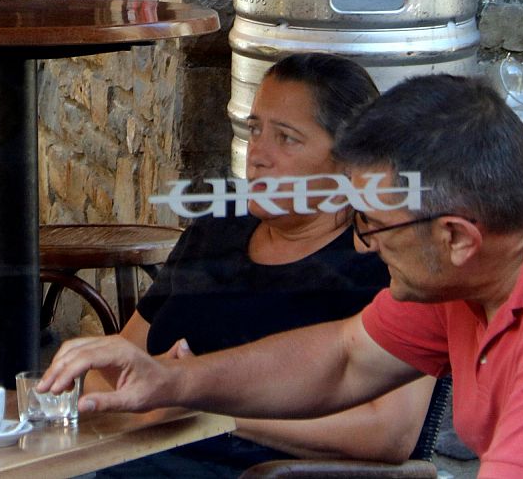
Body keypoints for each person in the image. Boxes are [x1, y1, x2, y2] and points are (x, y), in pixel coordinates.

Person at [41, 75, 523, 477]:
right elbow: (345, 358)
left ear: (455, 236)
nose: (361, 246)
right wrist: (175, 381)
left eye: (373, 227)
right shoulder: (482, 269)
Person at [88, 54, 434, 476]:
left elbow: (389, 432)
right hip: (139, 454)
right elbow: (117, 368)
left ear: (348, 160)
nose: (258, 154)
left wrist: (205, 405)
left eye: (286, 138)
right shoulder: (217, 228)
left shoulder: (385, 260)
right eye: (255, 129)